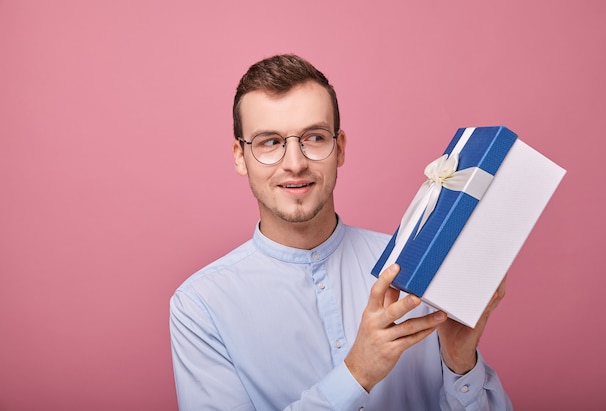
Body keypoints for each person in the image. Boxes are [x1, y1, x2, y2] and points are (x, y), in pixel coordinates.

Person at [169, 54, 513, 410]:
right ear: (241, 156)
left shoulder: (415, 267)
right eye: (269, 142)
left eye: (314, 137)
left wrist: (460, 363)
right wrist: (356, 373)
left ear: (340, 148)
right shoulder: (199, 306)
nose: (295, 163)